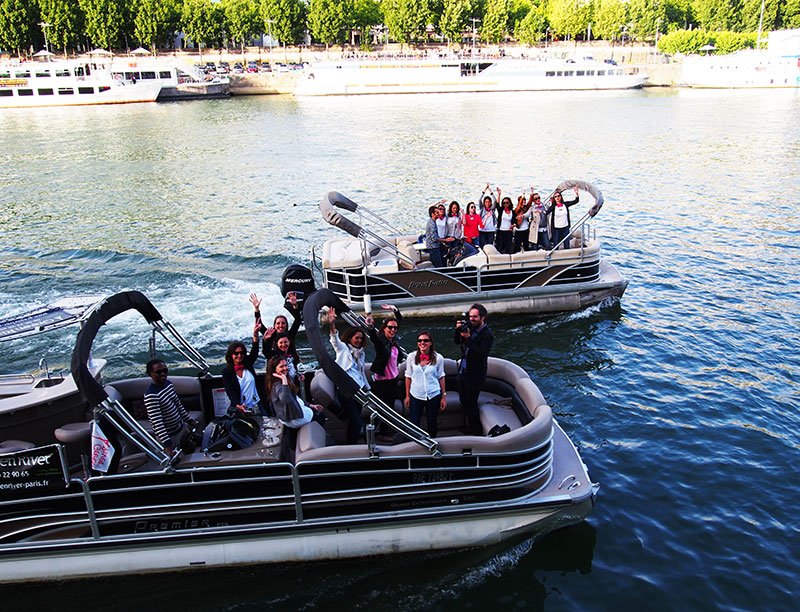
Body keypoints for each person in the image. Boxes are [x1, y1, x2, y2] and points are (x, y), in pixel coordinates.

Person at [329, 307, 370, 444]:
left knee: (355, 420)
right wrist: (331, 324)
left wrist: (367, 389)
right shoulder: (343, 348)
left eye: (360, 338)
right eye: (356, 338)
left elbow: (360, 372)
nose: (358, 340)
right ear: (350, 338)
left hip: (359, 392)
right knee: (357, 423)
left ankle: (350, 441)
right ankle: (351, 447)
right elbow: (334, 339)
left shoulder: (361, 353)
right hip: (347, 392)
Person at [453, 303, 494, 436]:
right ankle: (470, 427)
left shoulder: (487, 335)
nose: (472, 319)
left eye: (475, 317)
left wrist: (469, 338)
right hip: (463, 371)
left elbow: (481, 354)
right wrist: (457, 330)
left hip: (475, 375)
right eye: (470, 316)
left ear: (483, 317)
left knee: (471, 404)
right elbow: (457, 342)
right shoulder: (469, 327)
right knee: (463, 401)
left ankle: (475, 432)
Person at [143, 359, 198, 455]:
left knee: (192, 449)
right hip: (170, 436)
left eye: (165, 370)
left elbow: (178, 405)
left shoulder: (168, 384)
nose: (163, 374)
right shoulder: (151, 396)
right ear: (150, 374)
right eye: (158, 372)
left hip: (181, 428)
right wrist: (168, 445)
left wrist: (189, 421)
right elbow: (157, 423)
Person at [404, 331, 446, 437]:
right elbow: (408, 376)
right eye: (420, 340)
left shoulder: (439, 358)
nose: (422, 343)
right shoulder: (411, 357)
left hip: (433, 394)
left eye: (426, 340)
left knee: (432, 422)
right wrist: (407, 396)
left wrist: (443, 397)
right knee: (414, 423)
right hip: (416, 394)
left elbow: (441, 377)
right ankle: (416, 446)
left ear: (431, 343)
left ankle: (433, 443)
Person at [266, 356, 325, 429]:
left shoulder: (286, 380)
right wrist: (284, 379)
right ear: (274, 370)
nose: (285, 368)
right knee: (320, 417)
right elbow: (286, 399)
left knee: (318, 413)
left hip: (294, 412)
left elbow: (295, 398)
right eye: (281, 366)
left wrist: (310, 405)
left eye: (285, 365)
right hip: (293, 419)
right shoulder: (278, 385)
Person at [366, 305, 404, 417]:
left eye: (395, 328)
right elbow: (374, 338)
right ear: (384, 328)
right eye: (390, 328)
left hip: (393, 379)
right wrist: (370, 327)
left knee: (391, 406)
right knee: (383, 409)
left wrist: (395, 310)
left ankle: (385, 432)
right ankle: (380, 433)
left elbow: (399, 321)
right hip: (383, 382)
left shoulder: (393, 340)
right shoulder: (381, 341)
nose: (393, 330)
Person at [221, 319, 264, 414]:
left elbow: (255, 351)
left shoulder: (247, 364)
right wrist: (237, 405)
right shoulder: (227, 372)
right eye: (236, 353)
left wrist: (255, 335)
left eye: (242, 353)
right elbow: (230, 391)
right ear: (231, 355)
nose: (239, 356)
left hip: (257, 405)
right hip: (241, 408)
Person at [250, 291, 302, 360]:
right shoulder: (269, 334)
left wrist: (295, 305)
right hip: (274, 366)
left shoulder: (290, 334)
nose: (280, 325)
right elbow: (259, 324)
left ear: (286, 325)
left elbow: (298, 320)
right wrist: (257, 309)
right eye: (278, 323)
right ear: (274, 325)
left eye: (283, 323)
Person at [546, 185, 580, 250]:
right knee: (556, 244)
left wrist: (576, 194)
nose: (557, 198)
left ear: (561, 197)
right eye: (555, 197)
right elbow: (546, 212)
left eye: (558, 196)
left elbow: (575, 201)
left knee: (566, 244)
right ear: (554, 198)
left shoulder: (565, 204)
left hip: (565, 227)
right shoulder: (553, 207)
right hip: (556, 228)